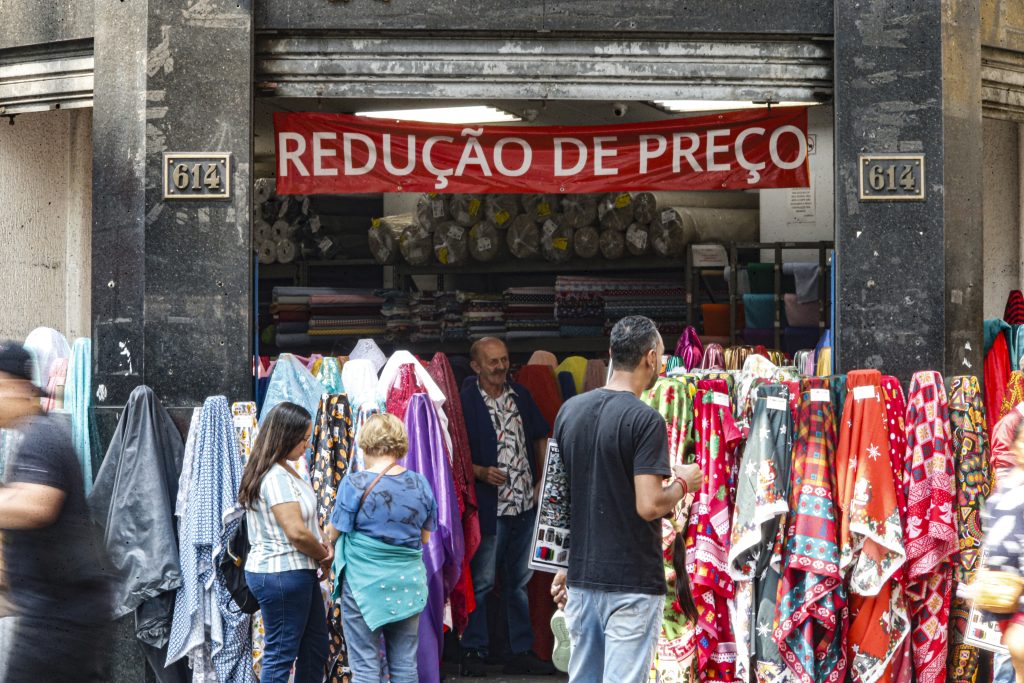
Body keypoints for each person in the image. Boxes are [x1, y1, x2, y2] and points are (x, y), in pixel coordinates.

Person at [549, 316, 702, 682]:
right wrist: (684, 482)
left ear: (611, 354)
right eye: (662, 357)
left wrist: (559, 566)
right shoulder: (645, 420)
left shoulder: (569, 411)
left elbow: (556, 500)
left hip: (582, 579)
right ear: (650, 358)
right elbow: (648, 505)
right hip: (631, 582)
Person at [0, 340, 113, 682]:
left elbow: (37, 506)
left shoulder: (42, 436)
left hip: (61, 619)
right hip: (58, 615)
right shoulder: (30, 436)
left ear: (17, 387)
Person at [460, 337, 553, 676]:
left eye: (503, 360)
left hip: (523, 505)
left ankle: (519, 649)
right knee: (483, 581)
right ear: (476, 366)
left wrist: (541, 478)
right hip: (490, 508)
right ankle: (474, 649)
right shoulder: (466, 401)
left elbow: (542, 434)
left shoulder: (520, 396)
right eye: (493, 362)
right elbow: (452, 453)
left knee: (518, 582)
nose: (500, 367)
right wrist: (480, 472)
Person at [325, 413, 437, 683]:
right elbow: (424, 538)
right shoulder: (420, 483)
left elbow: (333, 532)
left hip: (364, 586)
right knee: (405, 667)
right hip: (408, 584)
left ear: (366, 443)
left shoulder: (354, 483)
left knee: (365, 668)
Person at [238, 401, 331, 683]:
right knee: (281, 655)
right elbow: (296, 532)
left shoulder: (282, 469)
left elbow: (304, 524)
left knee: (314, 645)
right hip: (282, 574)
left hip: (292, 572)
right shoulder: (275, 477)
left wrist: (320, 539)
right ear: (285, 436)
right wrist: (323, 555)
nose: (307, 444)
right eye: (303, 438)